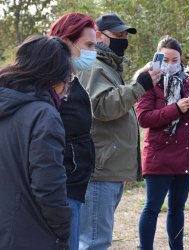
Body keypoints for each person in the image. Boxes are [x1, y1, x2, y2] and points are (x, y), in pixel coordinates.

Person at [77, 13, 161, 249]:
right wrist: (139, 86)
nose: (123, 39)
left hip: (108, 169)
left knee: (96, 238)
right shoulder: (94, 66)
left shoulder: (107, 66)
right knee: (94, 241)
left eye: (125, 34)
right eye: (117, 34)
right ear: (99, 36)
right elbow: (102, 107)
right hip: (100, 171)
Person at [0, 35, 72, 250]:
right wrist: (62, 231)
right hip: (30, 233)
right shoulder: (43, 115)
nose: (67, 87)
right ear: (53, 77)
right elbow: (48, 186)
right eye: (67, 79)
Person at [135, 36, 189, 250]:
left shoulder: (188, 82)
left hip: (185, 154)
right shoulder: (147, 82)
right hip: (159, 156)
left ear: (181, 60)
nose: (171, 64)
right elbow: (144, 118)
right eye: (166, 60)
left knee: (177, 209)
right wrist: (176, 108)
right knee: (152, 207)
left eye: (175, 60)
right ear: (157, 59)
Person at [49, 12, 97, 250]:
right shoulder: (51, 86)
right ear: (66, 41)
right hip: (60, 187)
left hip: (74, 185)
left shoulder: (71, 81)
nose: (92, 52)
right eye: (88, 45)